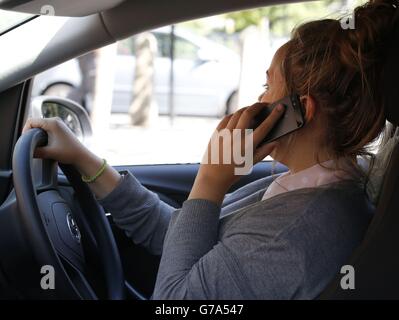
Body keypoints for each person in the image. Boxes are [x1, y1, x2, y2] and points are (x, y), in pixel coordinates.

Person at [22, 0, 398, 299]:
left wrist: (210, 182)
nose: (258, 99)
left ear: (303, 110)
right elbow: (178, 237)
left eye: (268, 87)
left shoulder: (296, 233)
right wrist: (83, 159)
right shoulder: (303, 185)